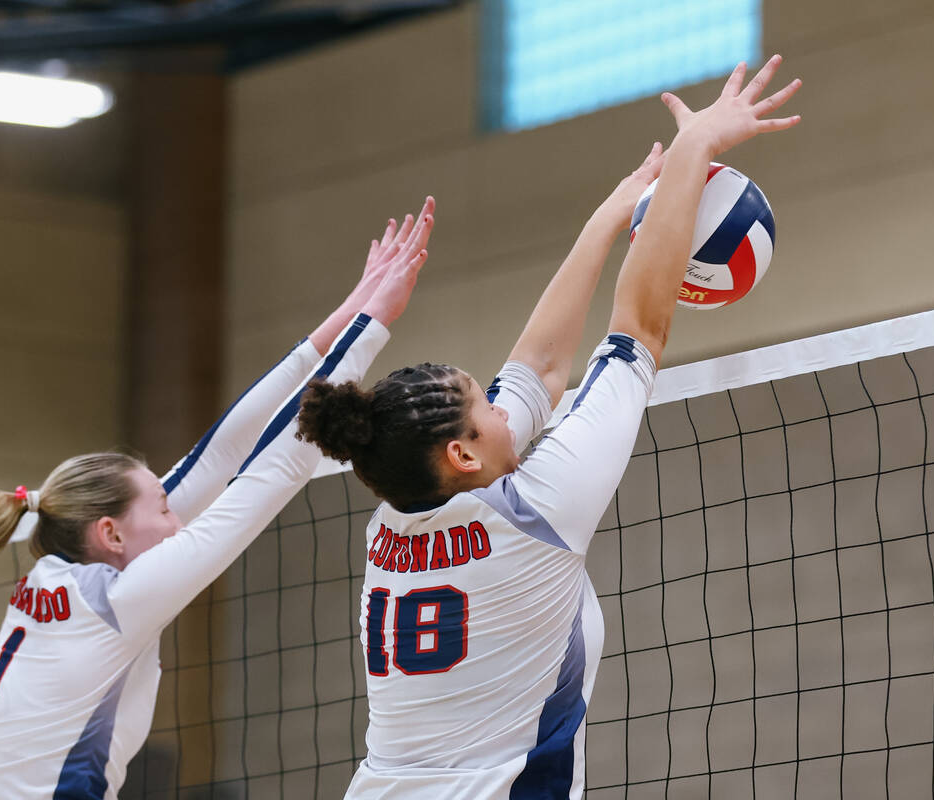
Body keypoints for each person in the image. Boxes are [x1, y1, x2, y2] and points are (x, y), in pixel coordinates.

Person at [297, 58, 802, 799]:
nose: (505, 409)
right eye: (487, 407)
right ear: (461, 453)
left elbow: (537, 366)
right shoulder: (538, 513)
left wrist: (613, 214)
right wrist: (694, 150)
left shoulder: (392, 521)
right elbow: (639, 328)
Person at [0, 197, 436, 799]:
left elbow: (217, 455)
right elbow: (269, 473)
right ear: (110, 533)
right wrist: (374, 325)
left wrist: (354, 309)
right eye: (162, 509)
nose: (176, 516)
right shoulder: (120, 598)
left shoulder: (63, 579)